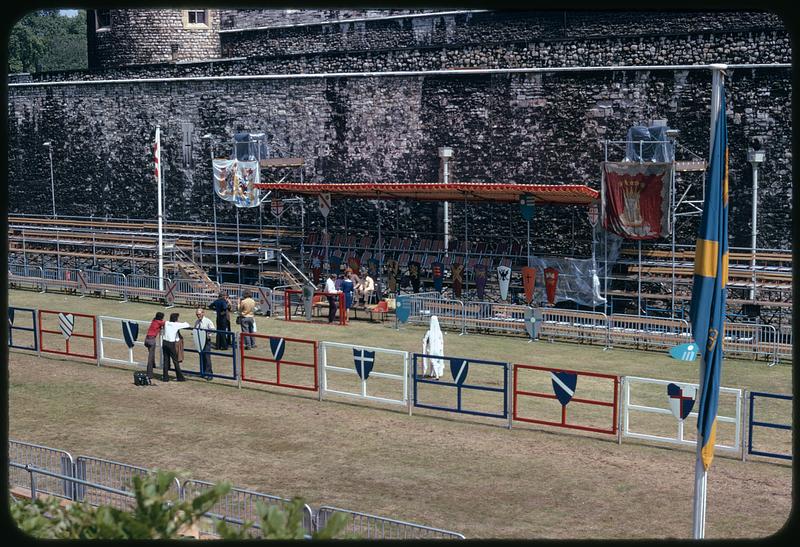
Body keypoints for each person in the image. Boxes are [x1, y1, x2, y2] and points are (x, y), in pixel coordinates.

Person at [162, 312, 190, 382]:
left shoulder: (166, 323)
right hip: (171, 344)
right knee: (175, 361)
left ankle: (165, 377)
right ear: (176, 319)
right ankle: (180, 377)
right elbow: (187, 324)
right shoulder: (176, 325)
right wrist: (179, 323)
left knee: (166, 360)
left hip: (164, 342)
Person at [193, 308, 215, 380]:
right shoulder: (197, 322)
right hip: (199, 341)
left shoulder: (207, 321)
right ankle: (203, 372)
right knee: (201, 357)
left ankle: (209, 373)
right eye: (197, 314)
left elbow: (213, 329)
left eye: (199, 314)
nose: (198, 316)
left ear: (203, 313)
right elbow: (195, 329)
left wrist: (209, 334)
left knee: (207, 357)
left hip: (206, 341)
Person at [421, 315, 444, 380]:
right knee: (433, 361)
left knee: (433, 361)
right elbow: (442, 341)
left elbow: (424, 340)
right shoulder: (438, 332)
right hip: (436, 349)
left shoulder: (430, 332)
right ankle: (431, 374)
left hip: (432, 349)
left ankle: (436, 375)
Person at [143, 312, 165, 379]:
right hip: (152, 340)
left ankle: (153, 365)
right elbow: (166, 323)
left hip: (146, 339)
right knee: (150, 357)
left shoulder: (154, 320)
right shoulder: (159, 322)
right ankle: (149, 374)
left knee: (151, 354)